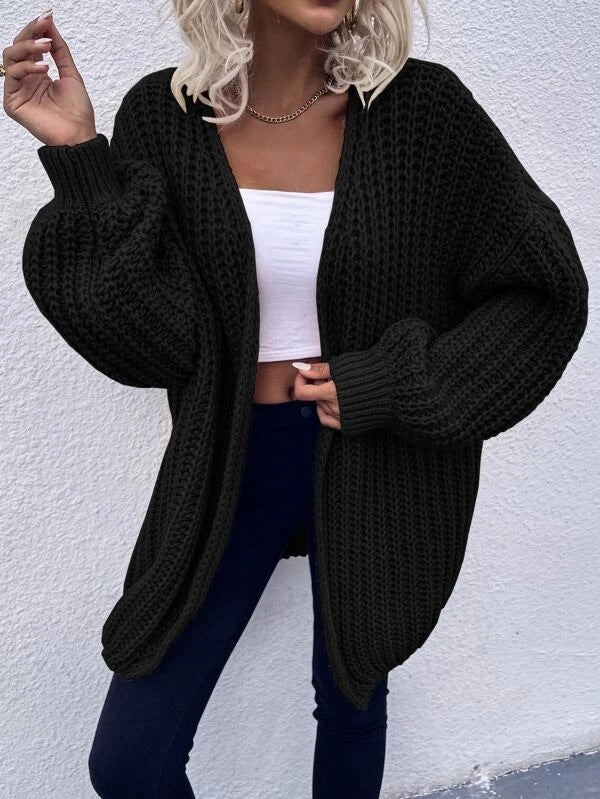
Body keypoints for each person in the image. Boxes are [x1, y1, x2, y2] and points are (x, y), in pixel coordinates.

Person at [3, 1, 588, 797]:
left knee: (351, 696)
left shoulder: (424, 112)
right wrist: (79, 154)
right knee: (131, 762)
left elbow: (541, 292)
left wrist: (394, 384)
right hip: (233, 453)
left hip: (378, 450)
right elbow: (149, 342)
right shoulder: (165, 117)